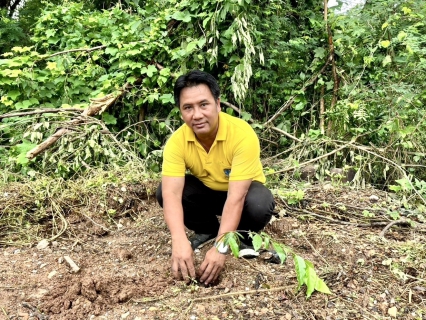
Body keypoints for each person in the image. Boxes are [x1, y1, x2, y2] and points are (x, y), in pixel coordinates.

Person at [156, 70, 275, 285]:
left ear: (218, 104)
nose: (197, 114)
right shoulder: (177, 142)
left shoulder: (241, 134)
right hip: (209, 193)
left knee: (260, 203)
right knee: (163, 192)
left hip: (242, 194)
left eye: (204, 105)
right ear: (181, 112)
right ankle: (207, 228)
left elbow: (236, 198)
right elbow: (171, 193)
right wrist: (179, 240)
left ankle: (242, 236)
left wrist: (221, 247)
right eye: (188, 108)